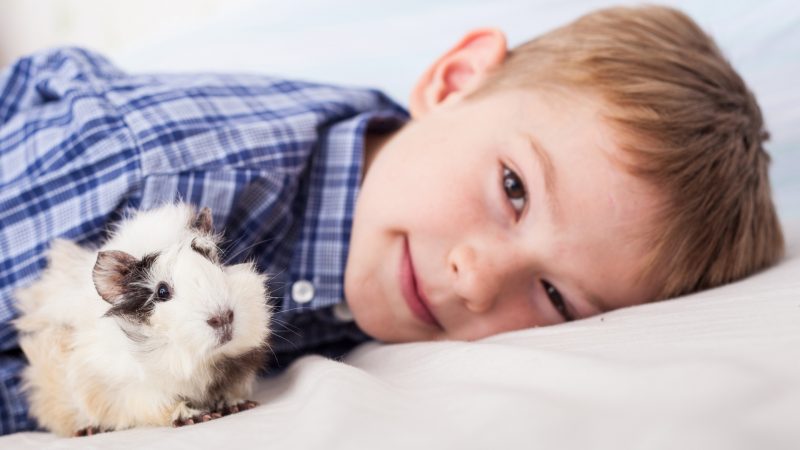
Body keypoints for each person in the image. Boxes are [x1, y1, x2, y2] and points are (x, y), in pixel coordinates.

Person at [0, 5, 784, 434]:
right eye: (513, 187)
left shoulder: (375, 264)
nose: (476, 278)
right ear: (454, 79)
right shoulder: (162, 175)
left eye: (554, 296)